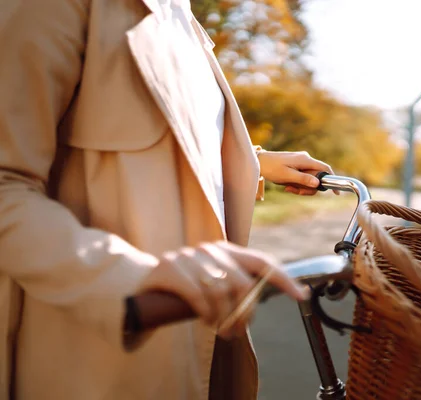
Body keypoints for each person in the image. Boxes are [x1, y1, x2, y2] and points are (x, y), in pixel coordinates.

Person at [0, 0, 335, 399]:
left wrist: (252, 162)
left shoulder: (182, 15)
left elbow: (158, 138)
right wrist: (128, 277)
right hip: (96, 359)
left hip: (201, 346)